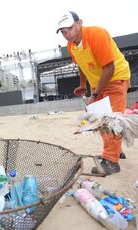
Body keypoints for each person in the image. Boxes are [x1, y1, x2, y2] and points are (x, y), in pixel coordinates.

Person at [56, 11, 131, 176]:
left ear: (79, 22)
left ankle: (111, 162)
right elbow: (82, 65)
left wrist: (94, 95)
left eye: (69, 28)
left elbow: (109, 67)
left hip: (116, 77)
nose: (66, 33)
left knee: (111, 119)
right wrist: (83, 85)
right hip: (100, 83)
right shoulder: (72, 45)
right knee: (100, 119)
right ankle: (116, 152)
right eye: (62, 31)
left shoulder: (97, 34)